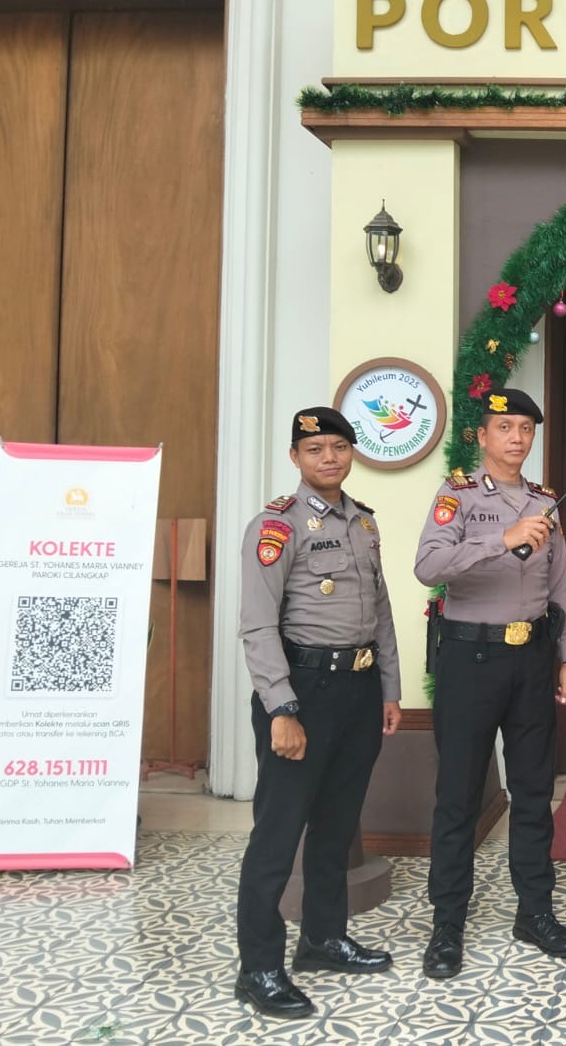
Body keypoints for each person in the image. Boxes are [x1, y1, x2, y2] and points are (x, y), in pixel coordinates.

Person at [234, 406, 403, 1020]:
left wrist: (389, 689)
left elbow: (380, 611)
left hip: (358, 691)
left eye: (339, 447)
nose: (329, 458)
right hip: (302, 691)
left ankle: (323, 940)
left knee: (337, 825)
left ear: (351, 453)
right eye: (315, 449)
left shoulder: (364, 522)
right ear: (295, 457)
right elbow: (257, 625)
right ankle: (258, 968)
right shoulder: (276, 526)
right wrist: (281, 707)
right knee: (278, 834)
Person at [413, 387, 566, 980]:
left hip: (532, 658)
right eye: (505, 427)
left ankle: (535, 912)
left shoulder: (546, 502)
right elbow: (428, 567)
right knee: (458, 795)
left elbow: (559, 587)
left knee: (534, 792)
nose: (517, 437)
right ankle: (447, 925)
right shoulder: (456, 496)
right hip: (471, 659)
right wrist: (502, 540)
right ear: (483, 436)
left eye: (526, 429)